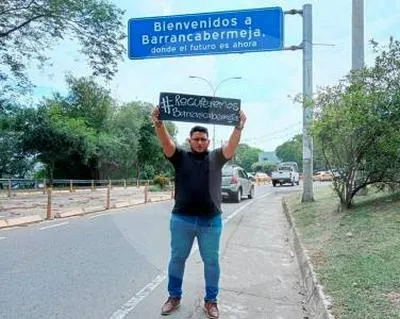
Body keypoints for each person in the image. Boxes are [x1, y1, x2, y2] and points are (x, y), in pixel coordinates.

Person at [151, 106, 246, 318]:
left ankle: (211, 301)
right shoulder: (180, 157)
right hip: (182, 219)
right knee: (177, 259)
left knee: (211, 262)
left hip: (210, 222)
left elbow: (230, 147)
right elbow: (166, 144)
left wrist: (238, 128)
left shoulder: (216, 157)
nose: (200, 142)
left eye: (203, 139)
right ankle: (173, 297)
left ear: (208, 142)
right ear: (189, 140)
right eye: (196, 139)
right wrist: (159, 124)